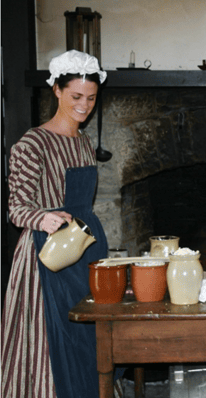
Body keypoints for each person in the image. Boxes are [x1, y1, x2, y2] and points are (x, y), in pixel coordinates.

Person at [1, 50, 119, 398]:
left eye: (92, 98)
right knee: (56, 337)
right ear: (56, 90)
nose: (84, 105)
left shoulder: (83, 142)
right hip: (47, 255)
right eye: (76, 97)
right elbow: (15, 208)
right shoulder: (31, 144)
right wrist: (43, 216)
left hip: (85, 246)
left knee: (89, 335)